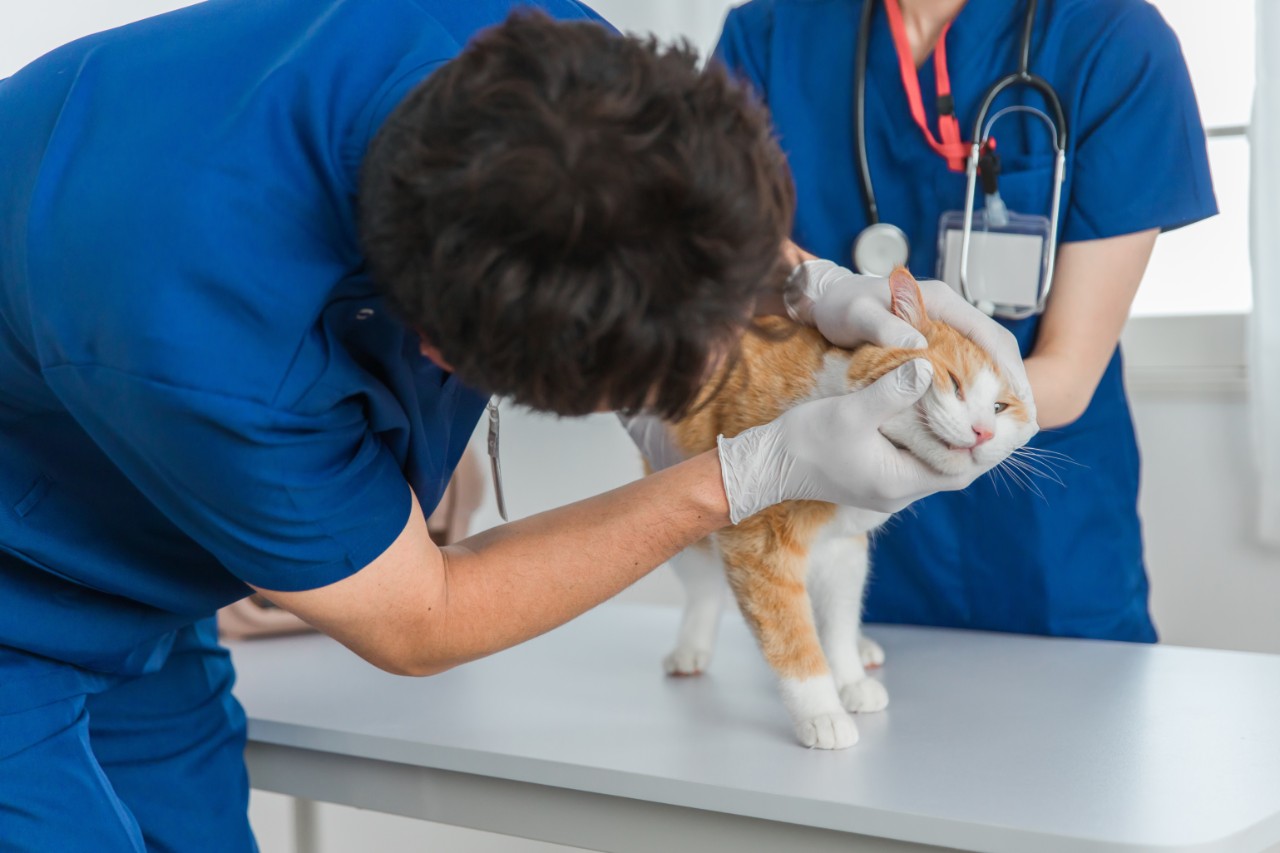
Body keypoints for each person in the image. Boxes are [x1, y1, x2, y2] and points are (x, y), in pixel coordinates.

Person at [0, 1, 1029, 849]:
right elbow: (422, 619)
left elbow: (661, 203)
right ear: (441, 354)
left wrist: (812, 284)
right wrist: (745, 472)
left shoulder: (549, 70)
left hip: (137, 577)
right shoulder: (198, 327)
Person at [713, 0, 1216, 642]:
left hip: (1045, 549)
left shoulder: (1111, 37)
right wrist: (808, 290)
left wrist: (908, 422)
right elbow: (716, 287)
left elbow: (1068, 369)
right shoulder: (768, 37)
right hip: (829, 532)